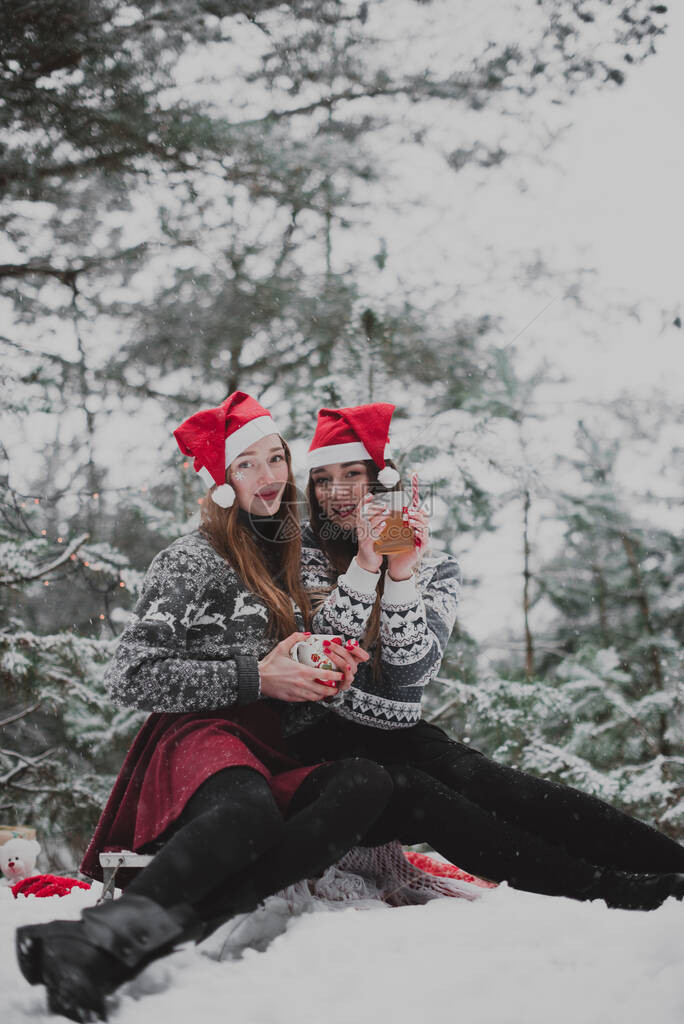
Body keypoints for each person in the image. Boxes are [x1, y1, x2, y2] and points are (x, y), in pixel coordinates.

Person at [15, 392, 393, 1023]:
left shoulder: (295, 558)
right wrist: (256, 678)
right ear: (220, 480)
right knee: (248, 817)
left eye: (277, 459)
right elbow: (130, 674)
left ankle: (91, 943)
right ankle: (101, 944)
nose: (271, 477)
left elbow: (298, 664)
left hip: (275, 742)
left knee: (365, 783)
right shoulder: (189, 561)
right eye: (248, 465)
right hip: (201, 733)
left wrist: (322, 668)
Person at [275, 401, 684, 907]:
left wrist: (400, 573)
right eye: (323, 479)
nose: (336, 493)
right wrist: (363, 565)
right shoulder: (297, 559)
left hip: (399, 730)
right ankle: (612, 893)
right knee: (444, 807)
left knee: (500, 787)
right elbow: (323, 663)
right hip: (320, 738)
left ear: (381, 480)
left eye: (352, 474)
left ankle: (672, 866)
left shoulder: (435, 566)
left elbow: (410, 676)